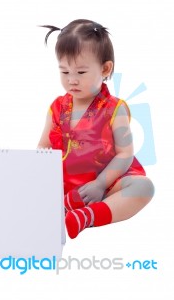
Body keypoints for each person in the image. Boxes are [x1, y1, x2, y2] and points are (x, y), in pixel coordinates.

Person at [37, 19, 154, 239]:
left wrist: (101, 184)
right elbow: (43, 145)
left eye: (81, 73)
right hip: (67, 186)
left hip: (106, 183)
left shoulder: (114, 109)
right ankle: (67, 205)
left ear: (105, 68)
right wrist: (41, 165)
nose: (72, 80)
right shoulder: (57, 108)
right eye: (64, 72)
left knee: (144, 188)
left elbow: (125, 153)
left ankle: (87, 216)